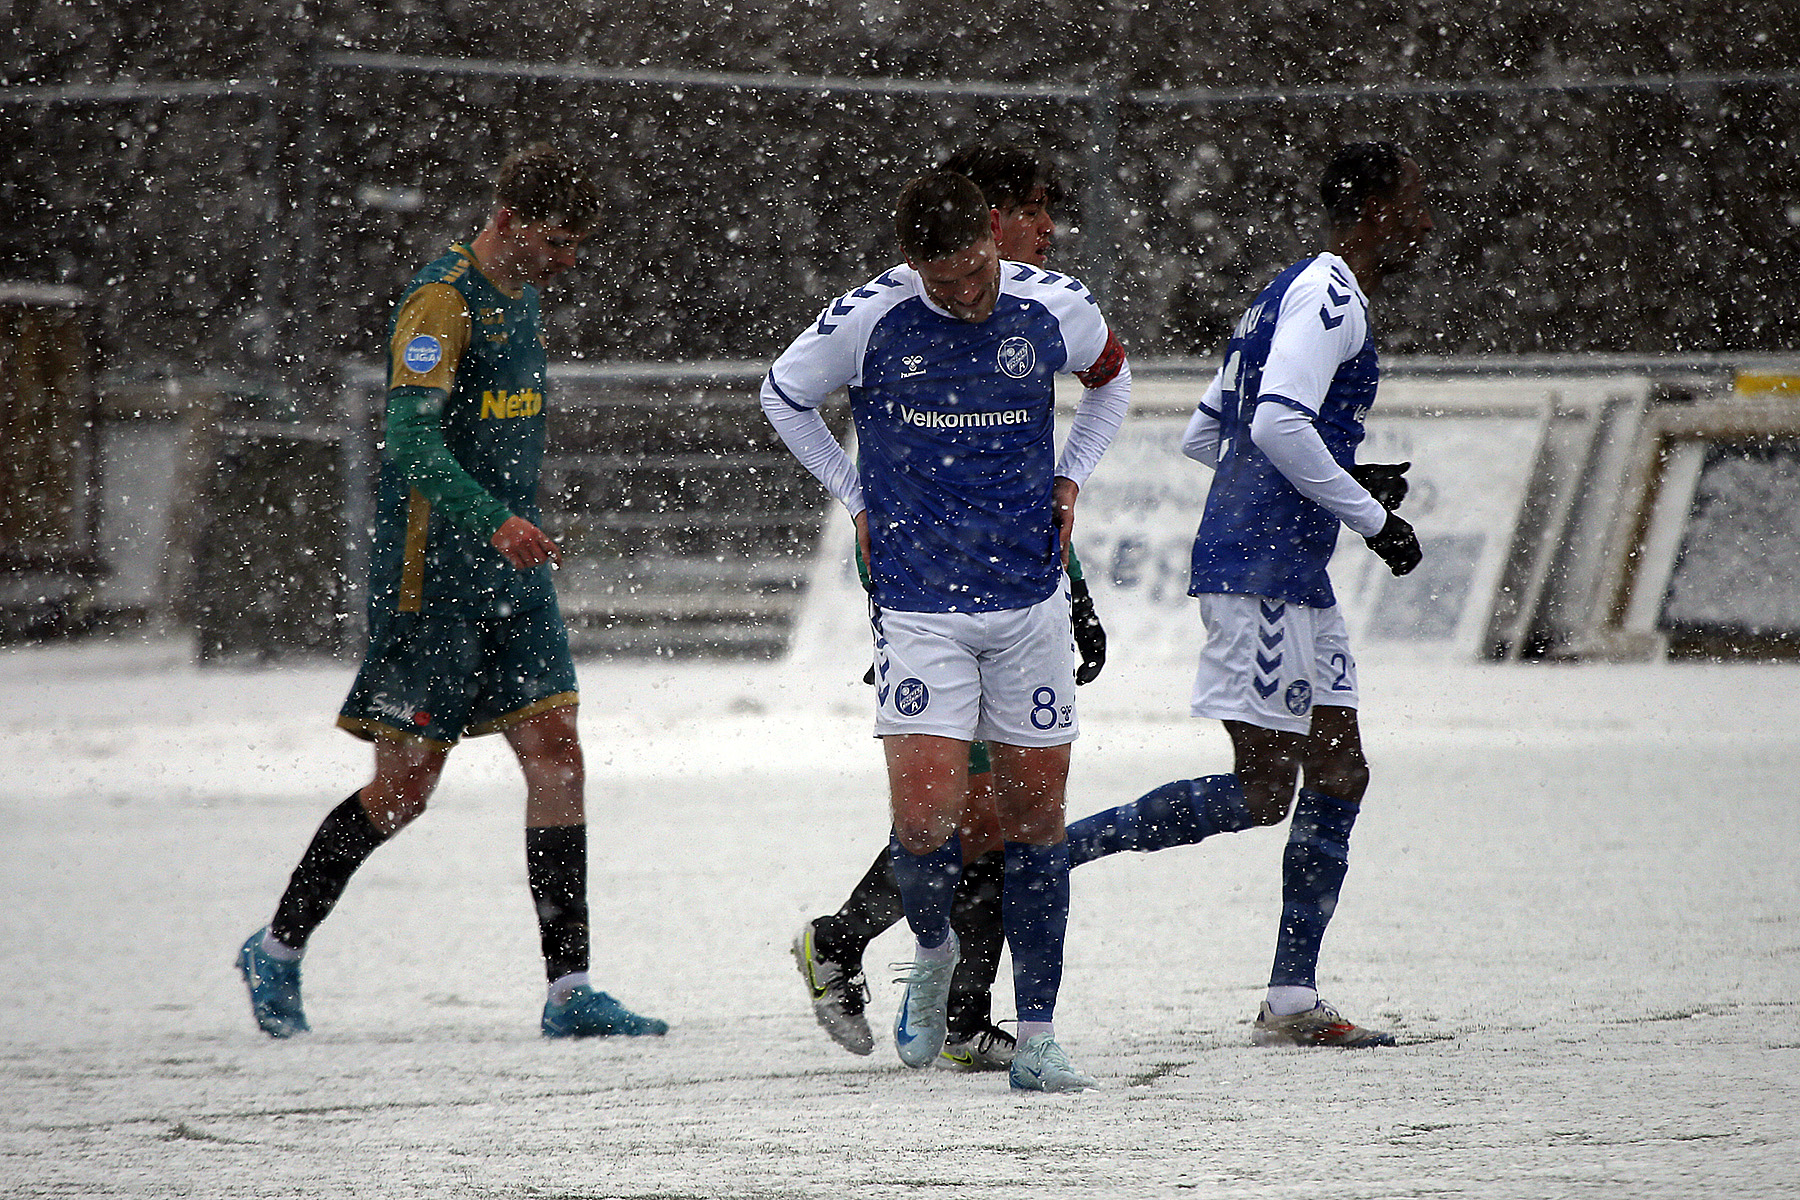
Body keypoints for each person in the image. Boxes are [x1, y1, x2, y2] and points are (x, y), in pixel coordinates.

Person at [235, 143, 666, 1041]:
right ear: (508, 221)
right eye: (555, 241)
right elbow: (410, 443)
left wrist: (515, 527)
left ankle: (570, 990)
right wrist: (492, 518)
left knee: (559, 756)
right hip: (432, 581)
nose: (567, 260)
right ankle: (276, 947)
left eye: (577, 245)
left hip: (512, 575)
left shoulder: (525, 299)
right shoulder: (441, 303)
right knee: (403, 791)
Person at [763, 170, 1130, 1091]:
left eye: (975, 272)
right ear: (911, 262)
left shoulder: (1056, 305)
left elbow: (1113, 381)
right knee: (928, 818)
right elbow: (780, 395)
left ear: (992, 236)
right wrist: (855, 496)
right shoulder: (869, 318)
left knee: (1031, 822)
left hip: (1029, 604)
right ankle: (932, 959)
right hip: (921, 606)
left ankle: (1036, 1038)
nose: (964, 294)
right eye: (944, 281)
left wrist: (1071, 477)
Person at [1059, 141, 1432, 1046]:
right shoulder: (1331, 293)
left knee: (1340, 771)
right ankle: (1043, 856)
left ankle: (1292, 998)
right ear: (1376, 208)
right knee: (1264, 791)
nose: (1425, 221)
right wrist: (1370, 519)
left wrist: (1340, 478)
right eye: (1415, 202)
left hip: (1288, 573)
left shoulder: (1285, 290)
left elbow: (1207, 435)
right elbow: (1272, 423)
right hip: (1261, 573)